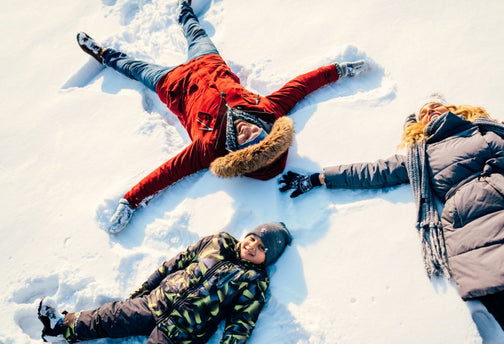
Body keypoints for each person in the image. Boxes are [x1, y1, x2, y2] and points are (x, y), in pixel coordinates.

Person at [76, 0, 369, 234]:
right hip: (210, 63)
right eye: (255, 132)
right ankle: (184, 11)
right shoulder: (268, 111)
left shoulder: (209, 149)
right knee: (196, 33)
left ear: (237, 151)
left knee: (136, 69)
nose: (246, 130)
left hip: (174, 85)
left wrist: (131, 201)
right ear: (266, 130)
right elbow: (301, 85)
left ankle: (104, 55)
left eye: (243, 139)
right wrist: (338, 71)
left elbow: (167, 173)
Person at [279, 94, 504, 344]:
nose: (429, 110)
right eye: (423, 112)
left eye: (435, 105)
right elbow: (374, 171)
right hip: (475, 235)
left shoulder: (488, 129)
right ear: (418, 126)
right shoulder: (420, 157)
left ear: (453, 109)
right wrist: (319, 178)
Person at [37, 222, 292, 344]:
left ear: (266, 259)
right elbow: (177, 262)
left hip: (182, 333)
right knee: (110, 316)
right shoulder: (219, 241)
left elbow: (240, 326)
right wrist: (145, 289)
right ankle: (60, 326)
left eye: (261, 249)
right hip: (155, 302)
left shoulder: (253, 282)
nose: (251, 247)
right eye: (252, 238)